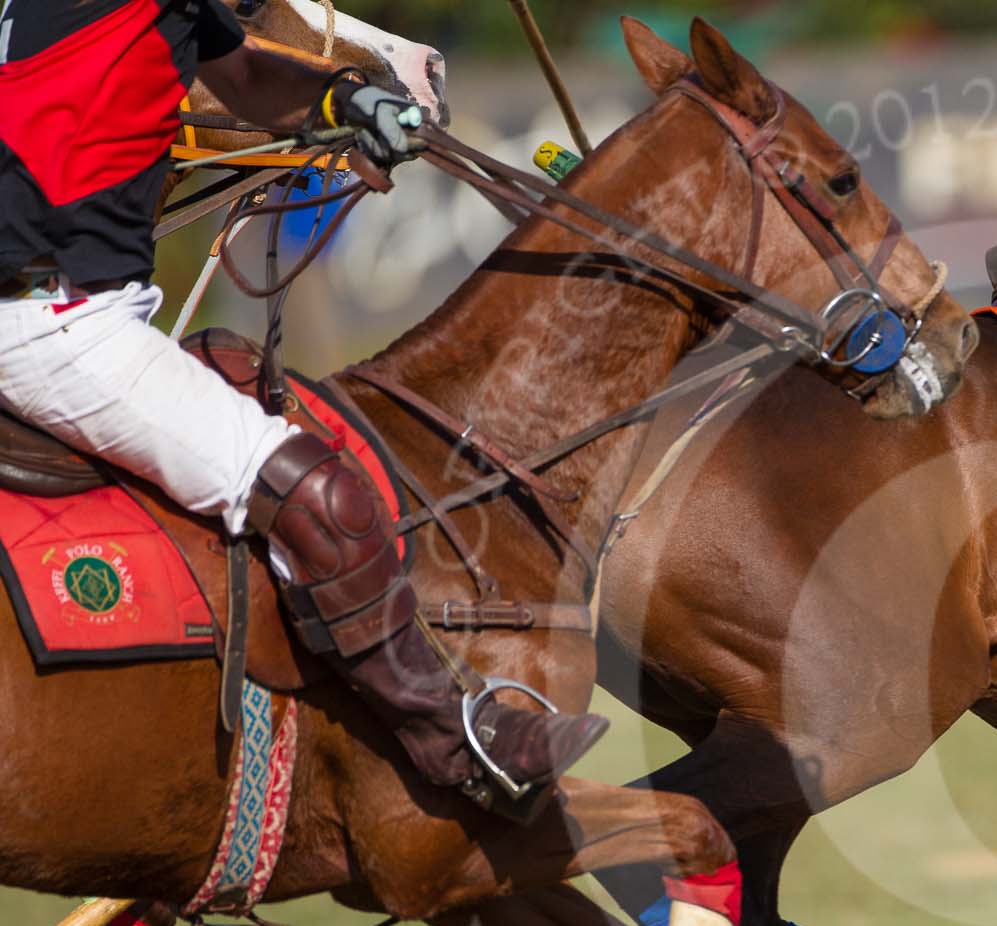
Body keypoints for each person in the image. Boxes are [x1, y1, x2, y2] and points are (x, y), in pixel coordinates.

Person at [0, 0, 606, 807]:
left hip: (85, 310)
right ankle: (457, 740)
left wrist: (343, 100)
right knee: (314, 490)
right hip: (53, 324)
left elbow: (244, 69)